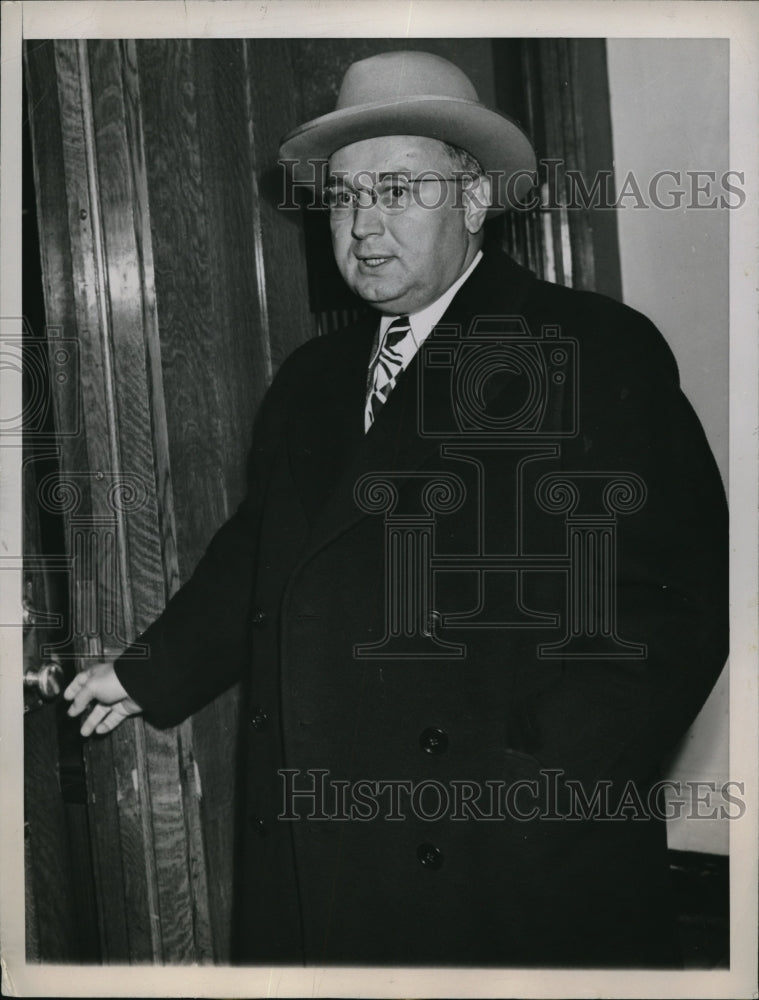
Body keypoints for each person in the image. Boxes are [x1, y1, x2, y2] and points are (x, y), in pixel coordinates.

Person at [64, 50, 728, 967]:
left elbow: (671, 609)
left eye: (398, 188)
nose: (364, 225)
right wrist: (147, 671)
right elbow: (261, 554)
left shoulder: (587, 347)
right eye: (342, 198)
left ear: (473, 199)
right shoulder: (312, 381)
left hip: (503, 866)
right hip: (328, 854)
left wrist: (535, 786)